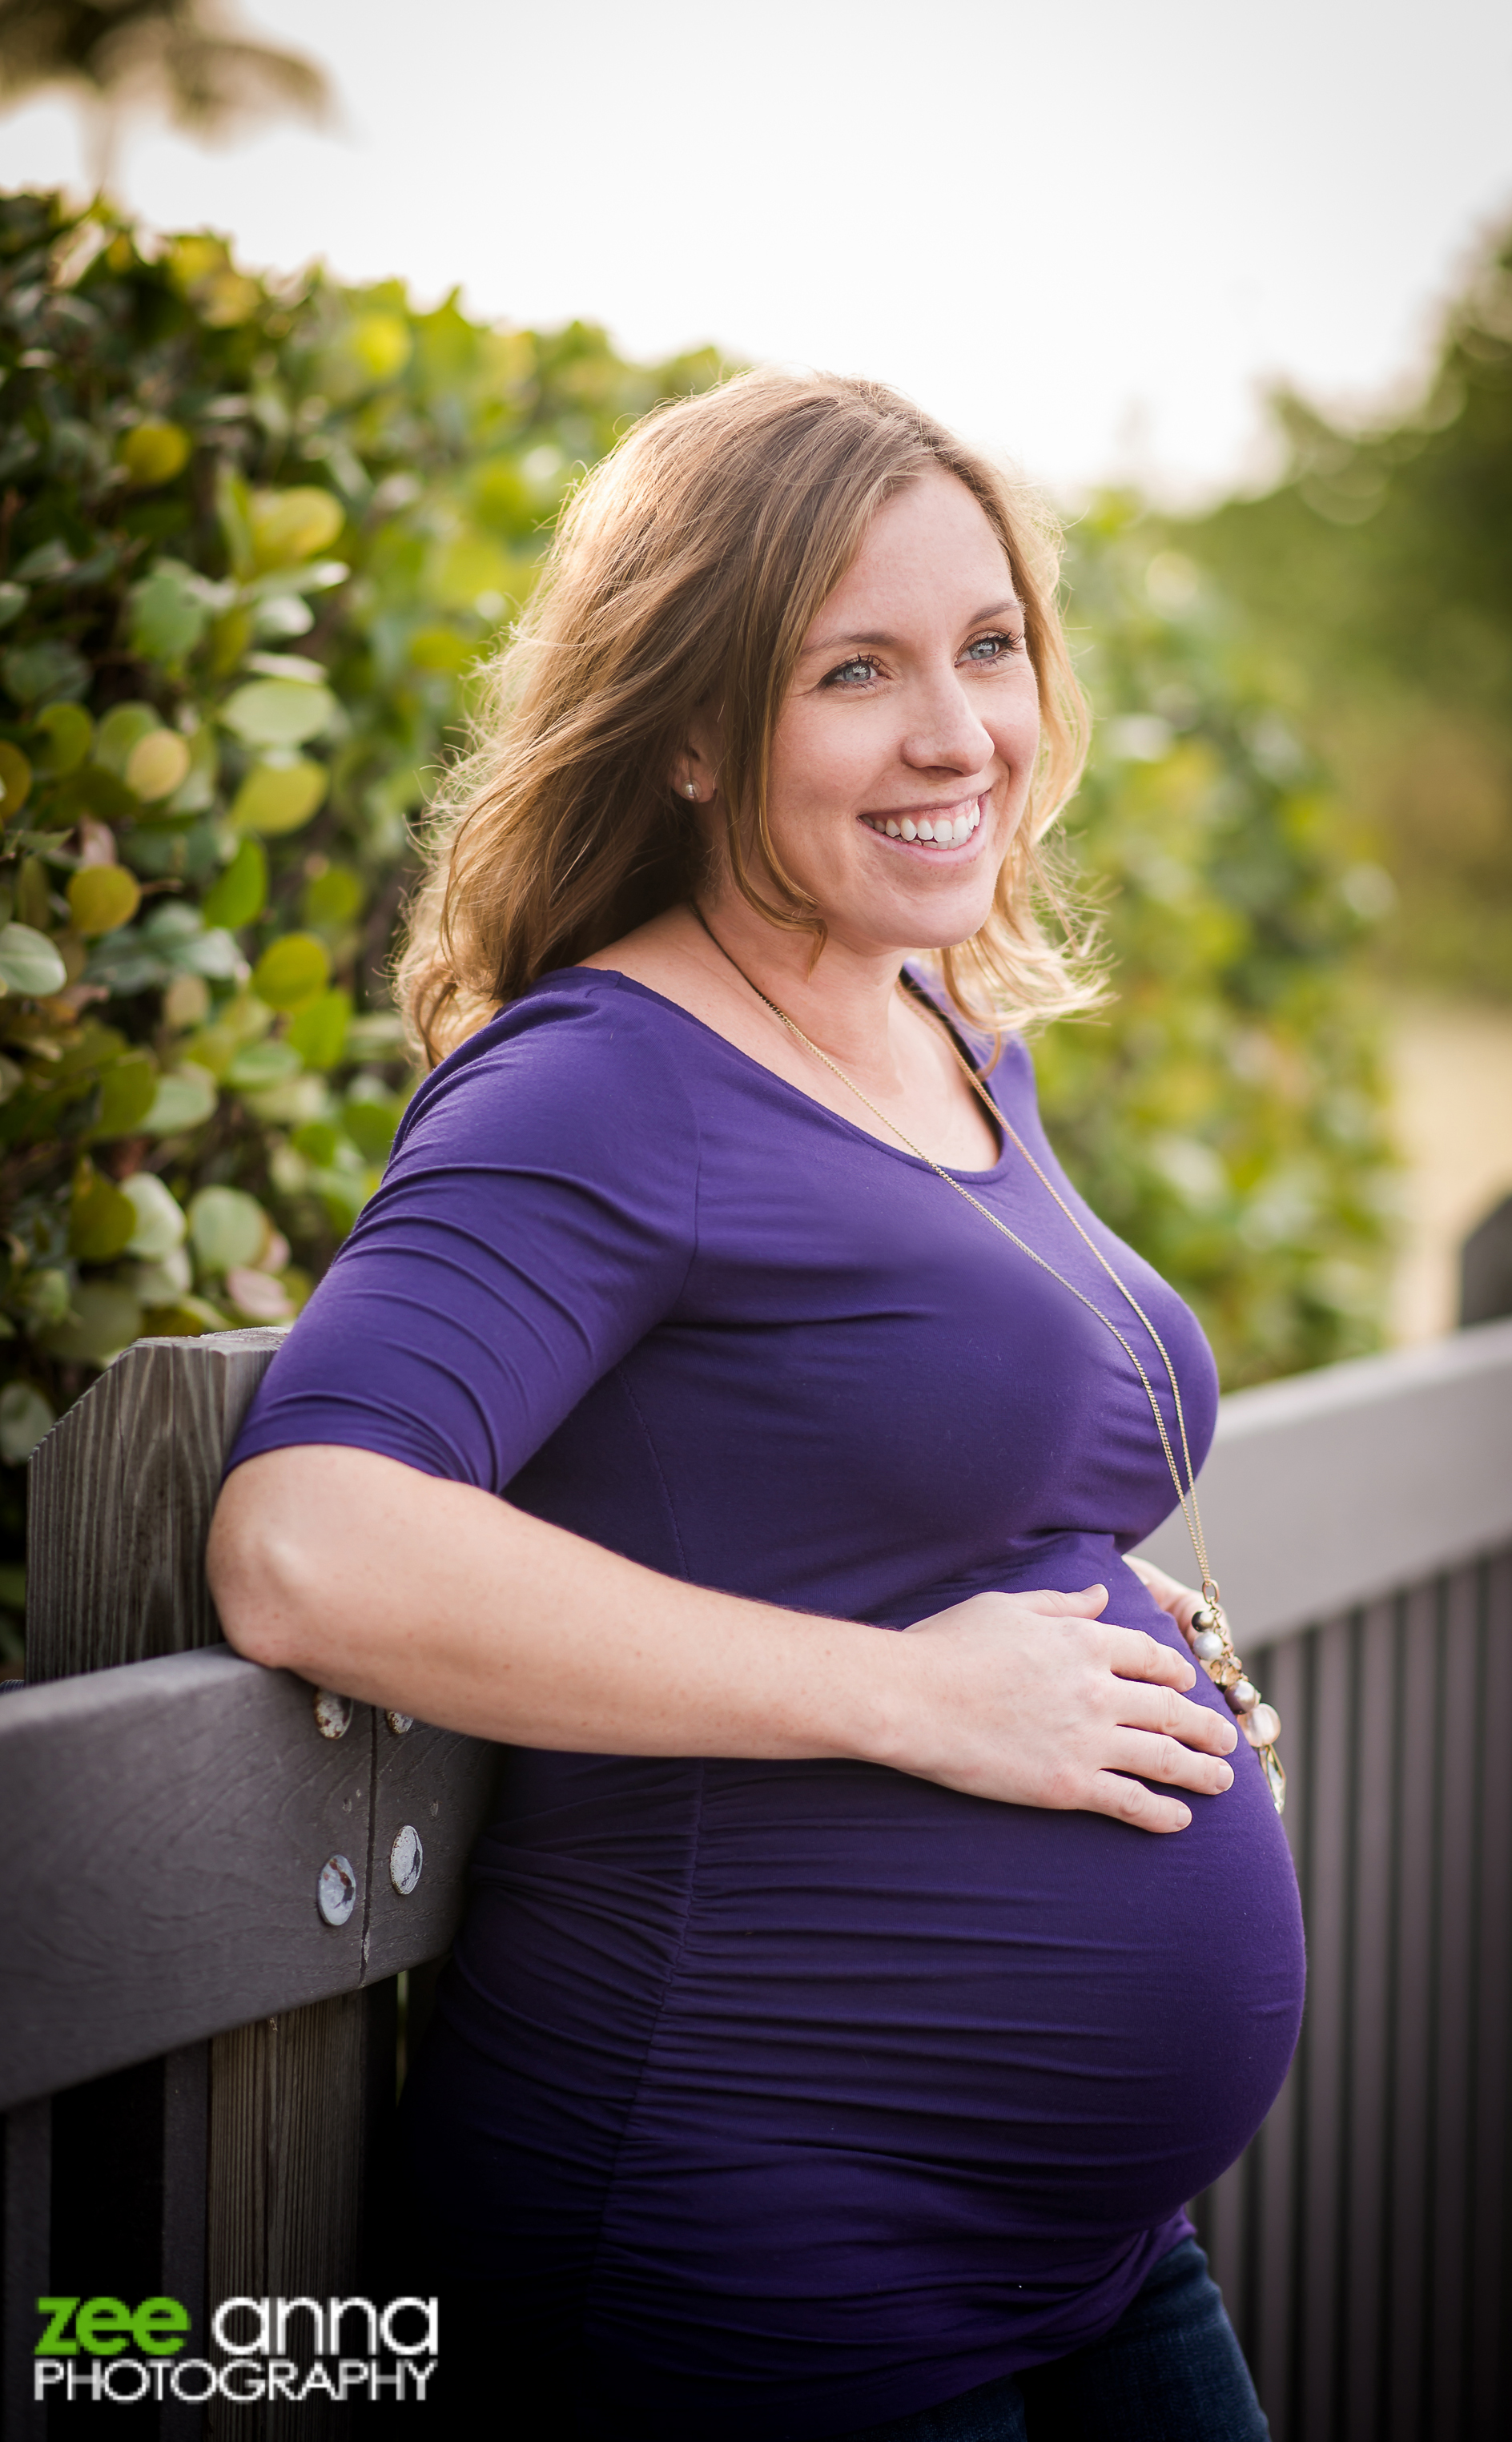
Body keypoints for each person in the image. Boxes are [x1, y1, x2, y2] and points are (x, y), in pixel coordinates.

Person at [206, 370, 1304, 2441]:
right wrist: (916, 1693)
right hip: (754, 2243)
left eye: (989, 646)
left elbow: (844, 1446)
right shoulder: (602, 1080)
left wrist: (1096, 1625)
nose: (955, 731)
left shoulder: (944, 1029)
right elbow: (308, 1538)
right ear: (695, 733)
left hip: (1090, 2249)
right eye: (854, 670)